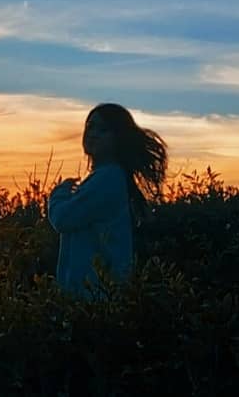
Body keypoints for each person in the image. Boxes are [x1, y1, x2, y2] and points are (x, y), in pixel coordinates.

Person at [47, 102, 167, 298]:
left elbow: (62, 219)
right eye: (90, 126)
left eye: (103, 130)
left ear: (118, 138)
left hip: (95, 298)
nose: (93, 133)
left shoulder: (108, 178)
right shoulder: (106, 177)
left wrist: (58, 194)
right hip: (94, 296)